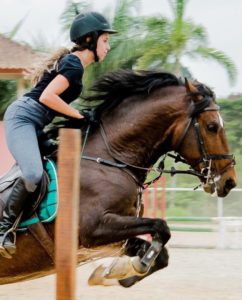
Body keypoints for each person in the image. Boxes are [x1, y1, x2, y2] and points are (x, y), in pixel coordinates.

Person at [0, 12, 117, 257]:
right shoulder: (74, 64)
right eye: (105, 40)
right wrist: (80, 116)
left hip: (36, 123)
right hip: (23, 118)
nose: (108, 46)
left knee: (59, 160)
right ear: (90, 39)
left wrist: (81, 117)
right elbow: (47, 97)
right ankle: (3, 230)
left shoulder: (75, 65)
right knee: (32, 173)